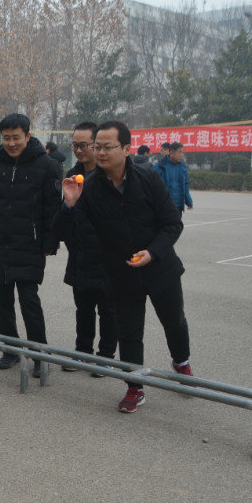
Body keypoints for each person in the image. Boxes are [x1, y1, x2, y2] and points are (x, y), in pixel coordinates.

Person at [61, 121, 192, 414]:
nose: (100, 152)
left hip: (160, 268)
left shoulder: (148, 179)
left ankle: (181, 362)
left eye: (108, 147)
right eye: (97, 147)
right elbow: (77, 233)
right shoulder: (90, 188)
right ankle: (135, 387)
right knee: (130, 333)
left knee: (174, 321)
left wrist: (152, 252)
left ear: (126, 149)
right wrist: (71, 205)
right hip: (121, 273)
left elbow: (173, 224)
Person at [0, 114, 61, 376]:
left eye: (16, 137)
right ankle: (10, 349)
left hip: (29, 244)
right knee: (2, 302)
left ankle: (39, 354)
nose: (11, 143)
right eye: (6, 138)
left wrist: (49, 244)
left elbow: (52, 210)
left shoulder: (47, 165)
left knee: (29, 301)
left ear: (28, 135)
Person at [52, 121, 118, 376]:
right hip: (80, 254)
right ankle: (82, 351)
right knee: (83, 309)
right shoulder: (72, 174)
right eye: (75, 145)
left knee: (108, 309)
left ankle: (106, 356)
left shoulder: (110, 176)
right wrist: (67, 206)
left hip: (107, 256)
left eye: (84, 145)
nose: (79, 150)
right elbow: (65, 217)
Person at [155, 142, 193, 214]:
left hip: (178, 207)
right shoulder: (160, 167)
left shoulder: (182, 168)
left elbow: (185, 185)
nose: (182, 155)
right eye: (179, 152)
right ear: (171, 153)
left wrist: (188, 201)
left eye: (182, 152)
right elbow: (153, 187)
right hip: (163, 207)